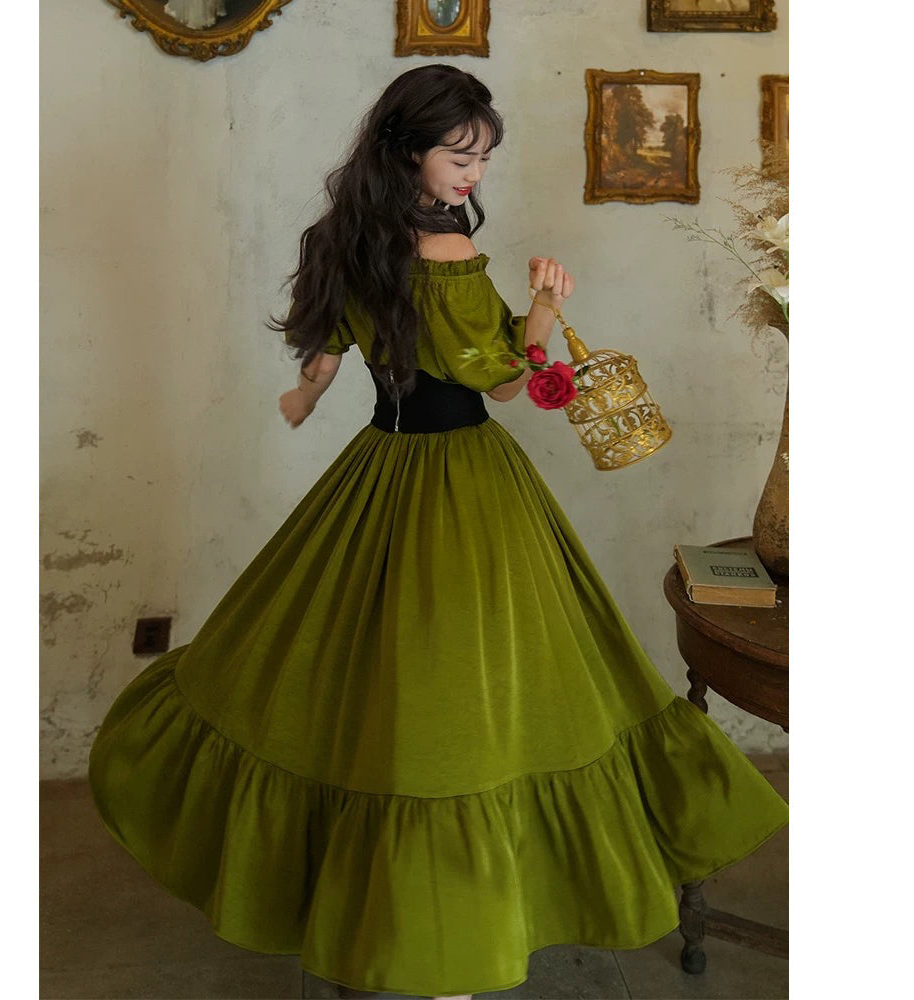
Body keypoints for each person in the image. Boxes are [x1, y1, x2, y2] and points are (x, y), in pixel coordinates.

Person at [88, 65, 788, 1000]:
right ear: (408, 151)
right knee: (470, 697)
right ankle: (449, 943)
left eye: (483, 157)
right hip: (463, 486)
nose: (474, 174)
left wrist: (302, 395)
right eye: (460, 157)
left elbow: (330, 348)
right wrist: (546, 308)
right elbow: (505, 382)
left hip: (377, 469)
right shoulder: (449, 253)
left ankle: (372, 914)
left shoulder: (355, 237)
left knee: (363, 682)